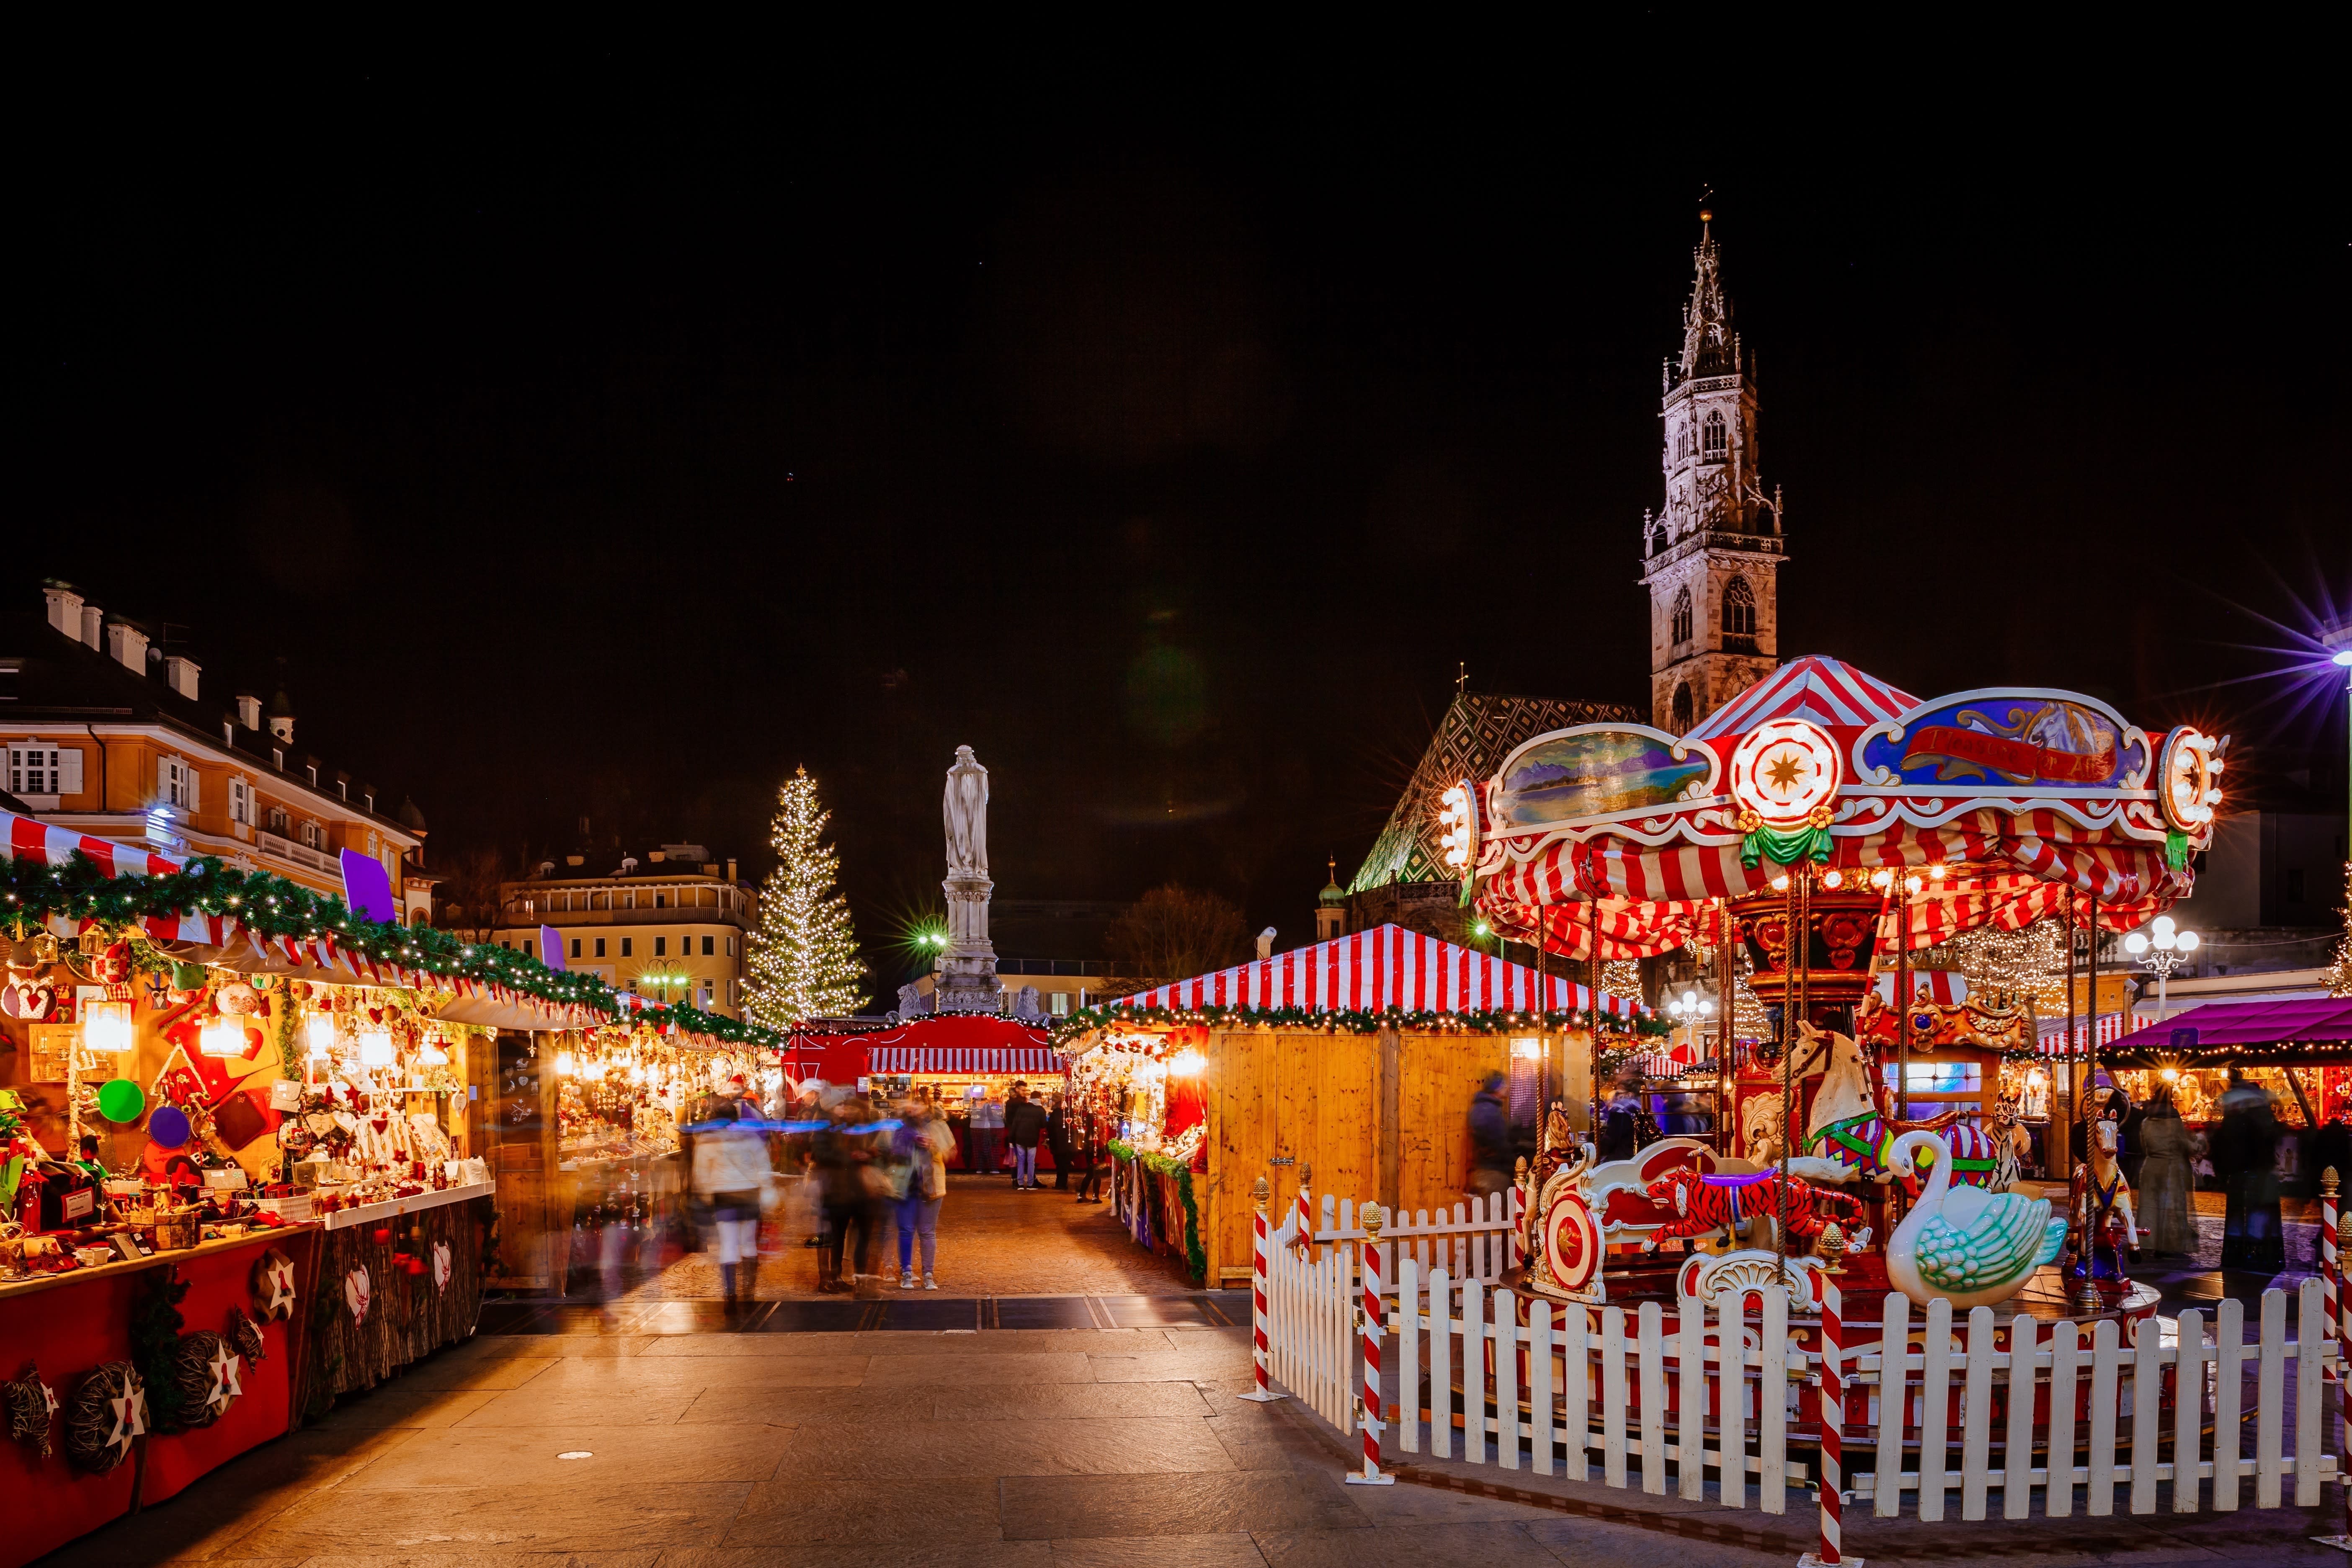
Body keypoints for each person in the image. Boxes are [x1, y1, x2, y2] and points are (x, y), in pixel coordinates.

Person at [691, 1100, 772, 1310]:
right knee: (748, 1243)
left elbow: (701, 1173)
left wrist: (707, 1193)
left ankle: (730, 1295)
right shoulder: (749, 1136)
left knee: (728, 1244)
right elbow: (763, 1165)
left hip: (723, 1195)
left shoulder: (708, 1141)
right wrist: (766, 1190)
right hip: (749, 1193)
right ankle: (749, 1293)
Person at [2212, 1072, 2284, 1273]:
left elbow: (2221, 1146)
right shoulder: (2262, 1120)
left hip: (2242, 1173)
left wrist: (2222, 1172)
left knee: (2245, 1215)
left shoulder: (2236, 1122)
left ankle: (2239, 1255)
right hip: (2257, 1172)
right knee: (2258, 1216)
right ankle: (2259, 1255)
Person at [812, 1098, 882, 1293]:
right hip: (832, 1188)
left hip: (851, 1190)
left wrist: (869, 1153)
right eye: (841, 1105)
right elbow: (822, 1154)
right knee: (831, 1235)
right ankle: (827, 1278)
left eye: (847, 1106)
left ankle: (841, 1277)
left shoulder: (851, 1127)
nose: (845, 1109)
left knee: (845, 1236)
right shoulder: (827, 1126)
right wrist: (851, 1157)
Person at [892, 1090, 954, 1289]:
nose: (915, 1108)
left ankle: (928, 1273)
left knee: (927, 1232)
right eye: (912, 1104)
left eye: (919, 1104)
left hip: (931, 1184)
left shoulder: (938, 1126)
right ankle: (907, 1272)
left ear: (927, 1106)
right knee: (906, 1230)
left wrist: (934, 1146)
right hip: (906, 1184)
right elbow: (891, 1152)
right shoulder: (900, 1127)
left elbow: (951, 1153)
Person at [2135, 1085, 2196, 1256]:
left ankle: (2148, 1240)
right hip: (2172, 1168)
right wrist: (2198, 1145)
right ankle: (2169, 1245)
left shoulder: (2147, 1121)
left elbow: (2143, 1145)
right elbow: (2183, 1144)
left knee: (2150, 1207)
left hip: (2151, 1167)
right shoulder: (2174, 1121)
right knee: (2170, 1207)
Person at [1467, 1072, 1511, 1203]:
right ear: (1497, 1088)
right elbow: (1495, 1140)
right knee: (1490, 1220)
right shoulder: (1488, 1111)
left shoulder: (1485, 1108)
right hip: (1493, 1172)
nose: (1507, 1087)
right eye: (1505, 1084)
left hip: (1487, 1170)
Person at [1006, 1082, 1048, 1190]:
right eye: (1023, 1090)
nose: (1025, 1092)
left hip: (1018, 1134)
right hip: (1025, 1136)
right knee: (1028, 1161)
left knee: (1020, 1160)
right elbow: (1012, 1121)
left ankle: (1020, 1182)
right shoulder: (1017, 1104)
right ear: (1017, 1089)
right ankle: (1029, 1182)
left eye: (1026, 1090)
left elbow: (1012, 1122)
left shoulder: (1019, 1104)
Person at [1596, 1072, 1643, 1163]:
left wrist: (1597, 1145)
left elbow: (1611, 1139)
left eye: (1618, 1093)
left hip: (1621, 1159)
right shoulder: (1643, 1109)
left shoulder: (1620, 1111)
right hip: (1640, 1157)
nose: (1615, 1096)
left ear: (1629, 1095)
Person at [1073, 1101, 1105, 1204]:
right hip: (1096, 1147)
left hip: (1090, 1147)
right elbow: (1100, 1132)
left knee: (1090, 1173)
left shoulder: (1090, 1115)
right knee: (1096, 1172)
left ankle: (1082, 1195)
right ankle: (1095, 1196)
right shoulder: (1097, 1115)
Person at [1046, 1094, 1073, 1191]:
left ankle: (1060, 1184)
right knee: (1064, 1164)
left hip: (1057, 1143)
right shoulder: (1068, 1112)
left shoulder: (1055, 1114)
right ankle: (1062, 1183)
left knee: (1060, 1164)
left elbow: (1051, 1128)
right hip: (1066, 1142)